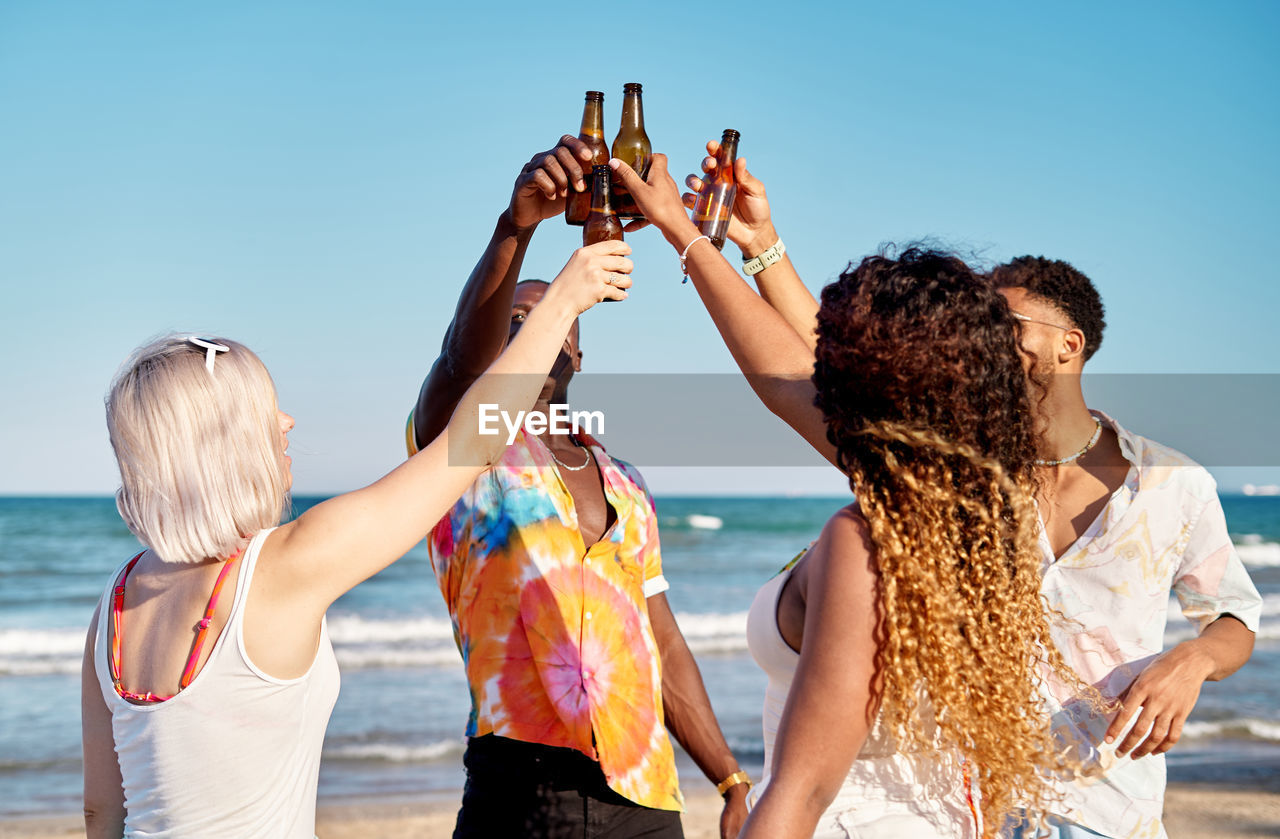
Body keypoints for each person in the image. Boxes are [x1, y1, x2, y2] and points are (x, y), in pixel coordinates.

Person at [609, 153, 1093, 837]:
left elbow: (802, 793)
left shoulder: (866, 538)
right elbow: (792, 375)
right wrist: (756, 246)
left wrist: (682, 233)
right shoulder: (983, 510)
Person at [80, 246, 628, 838]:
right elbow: (471, 441)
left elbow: (102, 813)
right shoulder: (284, 566)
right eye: (268, 409)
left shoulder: (116, 601)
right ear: (224, 439)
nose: (287, 423)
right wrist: (566, 299)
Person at [407, 136, 749, 839]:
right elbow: (456, 360)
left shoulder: (625, 480)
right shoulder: (464, 455)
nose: (537, 324)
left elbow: (663, 640)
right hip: (519, 792)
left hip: (646, 798)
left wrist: (729, 776)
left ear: (580, 353)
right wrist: (517, 226)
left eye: (555, 318)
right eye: (517, 322)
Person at [989, 256, 1262, 839]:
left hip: (1109, 812)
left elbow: (1234, 618)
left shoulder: (1172, 482)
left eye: (1004, 323)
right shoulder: (963, 473)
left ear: (1069, 344)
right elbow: (809, 386)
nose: (983, 338)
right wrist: (762, 248)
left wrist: (1191, 662)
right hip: (964, 804)